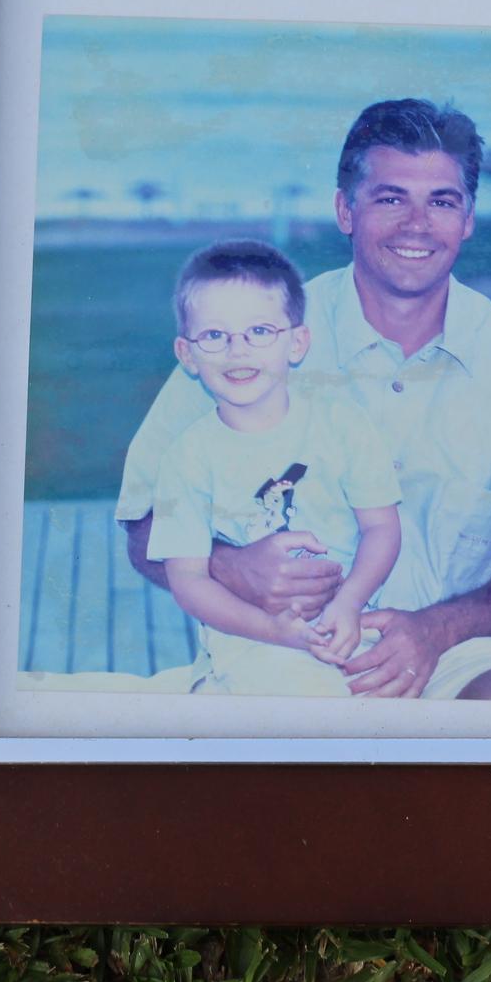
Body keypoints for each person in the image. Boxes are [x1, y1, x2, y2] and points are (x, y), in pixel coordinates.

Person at [118, 100, 491, 700]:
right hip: (283, 651)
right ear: (344, 210)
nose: (417, 224)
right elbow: (144, 524)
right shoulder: (249, 340)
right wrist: (233, 567)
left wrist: (437, 629)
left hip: (454, 655)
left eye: (441, 202)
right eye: (390, 199)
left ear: (467, 219)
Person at [147, 241, 402, 690]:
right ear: (187, 355)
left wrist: (348, 603)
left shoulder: (343, 425)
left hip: (354, 621)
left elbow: (382, 528)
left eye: (260, 331)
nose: (238, 351)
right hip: (251, 639)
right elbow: (187, 579)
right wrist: (274, 631)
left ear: (297, 343)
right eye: (215, 336)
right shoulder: (186, 457)